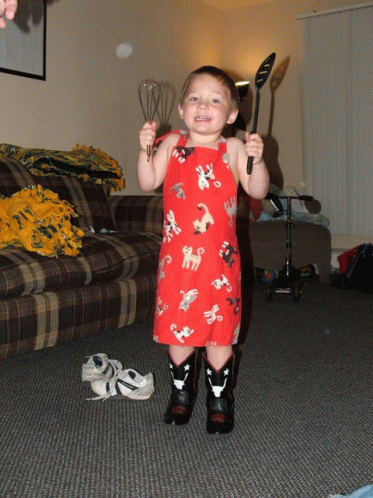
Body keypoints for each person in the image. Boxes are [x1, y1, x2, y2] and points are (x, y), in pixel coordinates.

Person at [137, 66, 269, 434]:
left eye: (215, 100)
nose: (203, 106)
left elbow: (257, 190)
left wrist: (258, 160)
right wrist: (145, 150)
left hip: (219, 266)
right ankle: (181, 394)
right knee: (179, 334)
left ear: (230, 114)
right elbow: (147, 181)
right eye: (194, 98)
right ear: (181, 109)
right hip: (177, 263)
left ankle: (219, 401)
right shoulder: (171, 144)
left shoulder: (234, 147)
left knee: (219, 335)